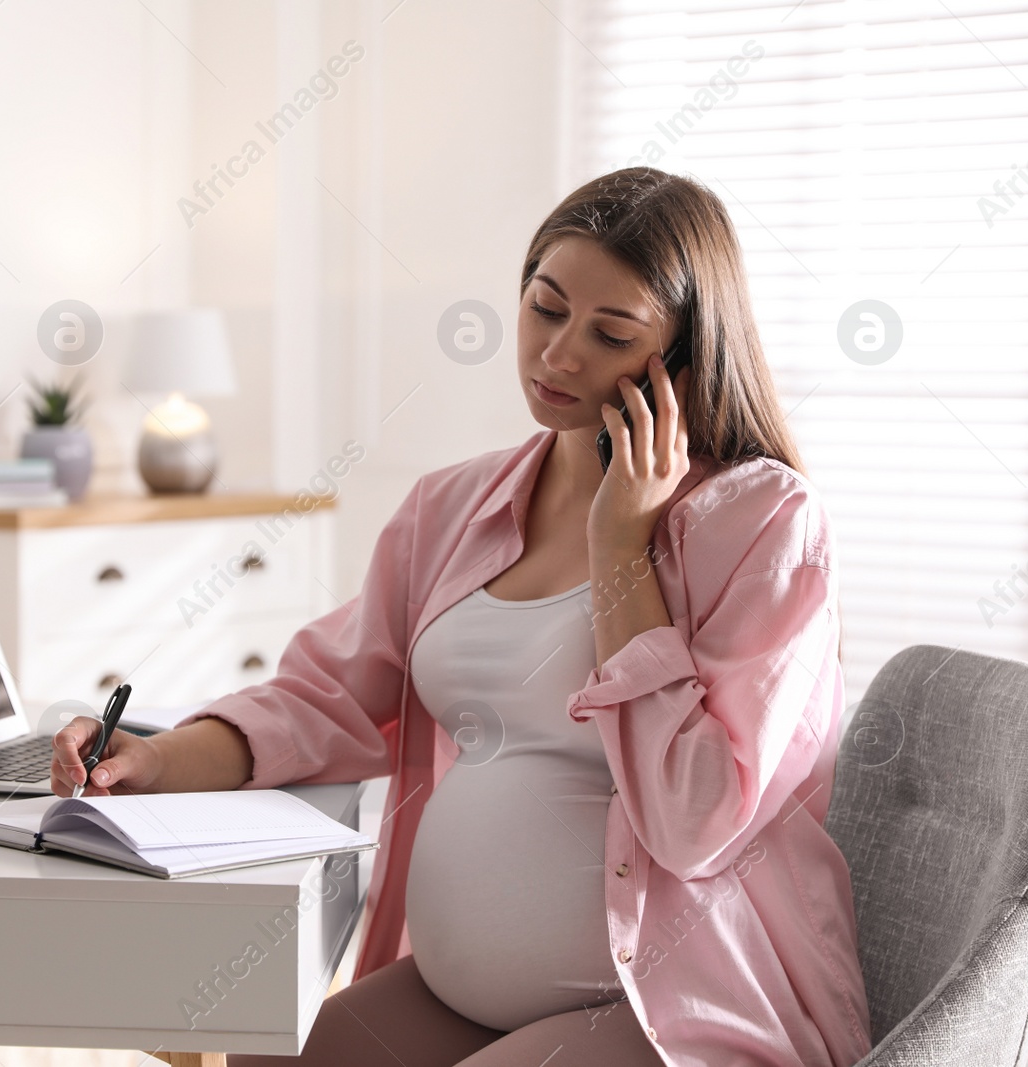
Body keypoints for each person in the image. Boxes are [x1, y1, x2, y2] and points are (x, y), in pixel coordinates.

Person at [50, 166, 873, 1067]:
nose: (558, 355)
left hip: (668, 1011)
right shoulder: (451, 507)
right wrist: (156, 756)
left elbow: (696, 819)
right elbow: (324, 696)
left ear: (682, 357)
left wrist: (623, 546)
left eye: (611, 333)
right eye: (545, 308)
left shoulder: (765, 523)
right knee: (240, 1057)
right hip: (457, 993)